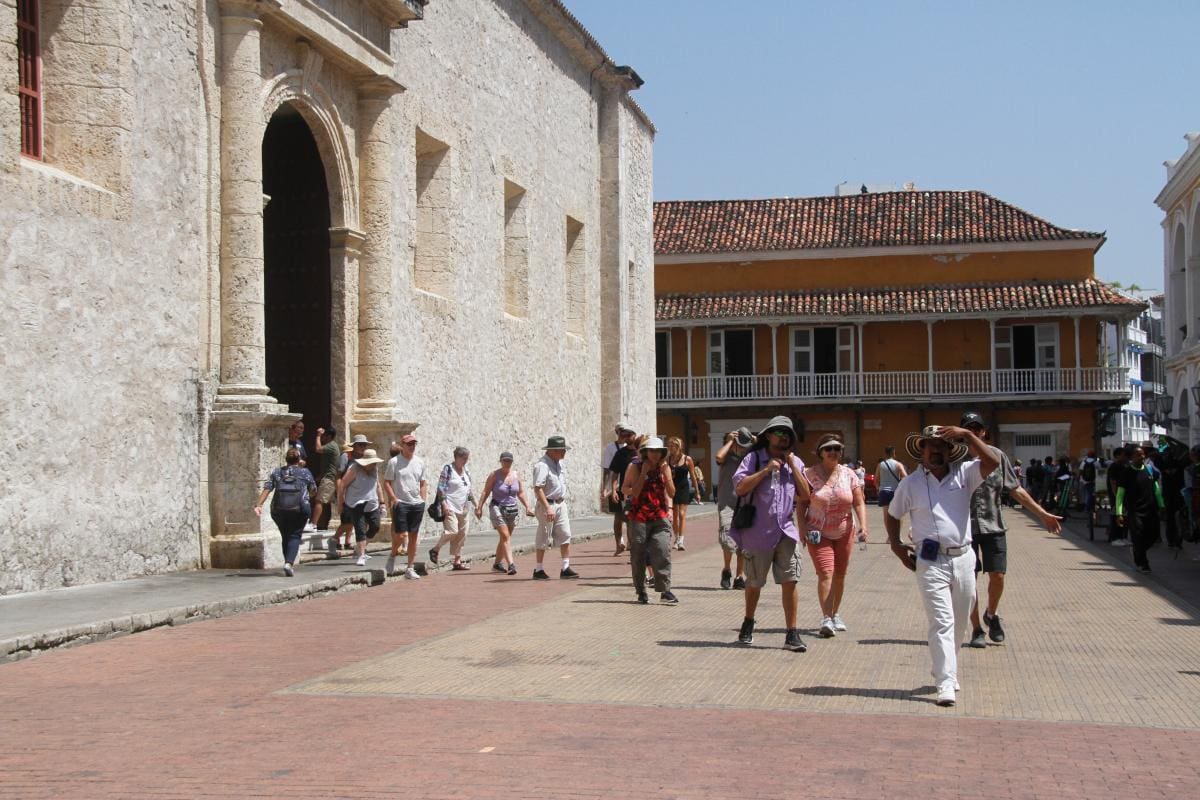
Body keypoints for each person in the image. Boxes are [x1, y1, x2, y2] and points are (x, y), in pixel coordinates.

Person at [884, 424, 998, 707]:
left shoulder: (965, 474)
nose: (935, 450)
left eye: (942, 446)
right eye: (929, 445)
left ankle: (946, 668)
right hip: (929, 560)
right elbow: (893, 513)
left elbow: (993, 461)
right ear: (921, 450)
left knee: (960, 620)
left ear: (950, 451)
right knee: (942, 621)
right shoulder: (910, 483)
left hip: (963, 557)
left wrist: (969, 436)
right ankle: (945, 682)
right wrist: (897, 546)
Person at [957, 412, 1063, 649]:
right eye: (968, 429)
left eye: (977, 428)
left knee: (998, 575)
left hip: (993, 525)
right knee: (969, 580)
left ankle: (991, 614)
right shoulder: (958, 461)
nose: (974, 432)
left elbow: (1016, 490)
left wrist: (1042, 514)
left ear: (984, 432)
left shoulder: (998, 456)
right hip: (965, 529)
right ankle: (976, 629)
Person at [730, 415, 812, 651]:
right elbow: (740, 487)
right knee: (754, 583)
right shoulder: (753, 458)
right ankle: (748, 622)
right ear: (768, 435)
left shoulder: (795, 462)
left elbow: (806, 494)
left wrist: (793, 466)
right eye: (779, 432)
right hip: (758, 533)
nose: (784, 437)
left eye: (788, 434)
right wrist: (766, 470)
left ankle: (792, 633)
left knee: (791, 580)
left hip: (786, 532)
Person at [799, 433, 867, 638]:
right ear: (820, 453)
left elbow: (858, 501)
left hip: (845, 530)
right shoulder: (809, 475)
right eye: (828, 449)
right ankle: (826, 618)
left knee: (840, 574)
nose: (833, 452)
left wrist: (864, 525)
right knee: (826, 573)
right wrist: (802, 529)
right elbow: (802, 503)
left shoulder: (849, 474)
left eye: (837, 449)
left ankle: (835, 613)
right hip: (818, 532)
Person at [621, 436, 678, 604]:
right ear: (645, 452)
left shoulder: (665, 467)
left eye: (658, 451)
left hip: (659, 515)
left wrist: (665, 475)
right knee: (638, 555)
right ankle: (641, 590)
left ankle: (665, 590)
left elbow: (672, 492)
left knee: (662, 551)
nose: (654, 454)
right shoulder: (635, 467)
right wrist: (644, 473)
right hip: (639, 517)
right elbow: (631, 491)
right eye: (651, 451)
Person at [253, 447, 316, 577]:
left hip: (279, 509)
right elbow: (313, 490)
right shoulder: (305, 472)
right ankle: (288, 563)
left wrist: (258, 505)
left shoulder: (277, 472)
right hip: (300, 508)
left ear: (286, 459)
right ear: (299, 459)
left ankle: (287, 561)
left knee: (285, 535)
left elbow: (267, 488)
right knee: (295, 535)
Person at [476, 451, 534, 576]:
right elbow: (485, 492)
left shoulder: (516, 475)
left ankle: (497, 564)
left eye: (509, 461)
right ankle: (511, 565)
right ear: (500, 461)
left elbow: (521, 493)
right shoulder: (494, 475)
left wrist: (528, 507)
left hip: (512, 509)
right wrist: (479, 507)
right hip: (497, 507)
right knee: (505, 536)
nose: (507, 463)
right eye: (505, 460)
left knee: (505, 538)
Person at [533, 436, 578, 579]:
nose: (564, 453)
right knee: (544, 536)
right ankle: (538, 569)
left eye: (564, 450)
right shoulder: (542, 466)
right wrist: (547, 508)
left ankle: (565, 567)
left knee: (565, 534)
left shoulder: (559, 464)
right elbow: (538, 488)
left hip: (560, 503)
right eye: (561, 450)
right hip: (548, 504)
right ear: (552, 451)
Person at [1115, 444, 1166, 573]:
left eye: (1142, 454)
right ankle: (1143, 563)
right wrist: (1119, 513)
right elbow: (1120, 494)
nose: (1141, 457)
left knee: (1154, 535)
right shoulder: (1127, 472)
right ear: (1131, 457)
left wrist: (1161, 505)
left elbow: (1156, 489)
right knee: (1138, 536)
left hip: (1151, 509)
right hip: (1135, 511)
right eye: (1138, 455)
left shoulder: (1149, 470)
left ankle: (1137, 550)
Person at [383, 433, 426, 579]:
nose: (412, 446)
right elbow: (387, 482)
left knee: (413, 536)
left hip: (416, 503)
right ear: (402, 446)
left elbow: (423, 482)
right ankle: (392, 555)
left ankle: (410, 567)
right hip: (401, 502)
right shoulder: (394, 462)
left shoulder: (419, 462)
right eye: (409, 444)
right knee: (401, 535)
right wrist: (393, 498)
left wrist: (423, 499)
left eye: (414, 444)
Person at [715, 428, 753, 590]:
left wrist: (755, 440)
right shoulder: (726, 457)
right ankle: (726, 569)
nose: (742, 447)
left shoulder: (750, 457)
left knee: (743, 542)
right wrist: (730, 441)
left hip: (745, 502)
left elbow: (765, 452)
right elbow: (718, 456)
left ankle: (739, 576)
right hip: (727, 503)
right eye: (739, 444)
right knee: (727, 540)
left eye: (744, 445)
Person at [338, 445, 384, 567]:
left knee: (375, 526)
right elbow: (342, 485)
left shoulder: (375, 469)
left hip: (372, 502)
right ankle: (361, 555)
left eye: (375, 463)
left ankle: (360, 549)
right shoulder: (354, 469)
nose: (373, 465)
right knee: (360, 528)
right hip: (356, 503)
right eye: (371, 463)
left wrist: (382, 503)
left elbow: (378, 485)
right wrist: (340, 503)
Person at [429, 446, 473, 571]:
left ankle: (457, 561)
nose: (465, 461)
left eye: (467, 459)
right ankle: (435, 549)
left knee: (462, 534)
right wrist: (444, 504)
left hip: (464, 507)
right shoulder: (448, 469)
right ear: (457, 457)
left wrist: (476, 505)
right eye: (463, 458)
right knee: (452, 531)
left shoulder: (466, 471)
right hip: (450, 506)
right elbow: (441, 488)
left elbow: (469, 490)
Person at [328, 435, 371, 556]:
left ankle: (357, 545)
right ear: (354, 446)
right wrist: (340, 495)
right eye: (360, 444)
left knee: (363, 521)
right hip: (347, 493)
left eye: (365, 444)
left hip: (363, 494)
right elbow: (339, 476)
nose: (363, 447)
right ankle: (334, 539)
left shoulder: (366, 457)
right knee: (348, 521)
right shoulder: (346, 456)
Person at [601, 424, 636, 554]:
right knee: (619, 516)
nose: (625, 436)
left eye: (628, 434)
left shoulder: (640, 451)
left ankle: (632, 545)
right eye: (622, 433)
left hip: (634, 490)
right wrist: (609, 489)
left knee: (631, 519)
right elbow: (609, 470)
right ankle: (619, 543)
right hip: (619, 488)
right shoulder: (616, 450)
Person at [666, 437, 701, 551]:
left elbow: (693, 476)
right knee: (674, 515)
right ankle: (676, 538)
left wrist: (697, 491)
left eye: (672, 446)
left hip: (683, 488)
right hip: (672, 488)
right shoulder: (668, 459)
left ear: (678, 447)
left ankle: (681, 539)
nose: (670, 448)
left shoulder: (687, 459)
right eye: (669, 446)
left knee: (681, 514)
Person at [309, 427, 340, 533]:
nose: (322, 438)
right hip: (328, 477)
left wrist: (318, 435)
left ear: (328, 436)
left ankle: (313, 524)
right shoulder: (332, 446)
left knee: (319, 501)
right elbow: (329, 464)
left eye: (323, 436)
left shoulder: (331, 446)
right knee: (326, 501)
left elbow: (318, 449)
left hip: (329, 479)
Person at [1107, 446, 1130, 546]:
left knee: (1124, 516)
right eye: (1123, 455)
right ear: (1117, 456)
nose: (1125, 457)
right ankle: (1115, 538)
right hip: (1116, 496)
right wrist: (1116, 496)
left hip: (1124, 495)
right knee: (1117, 516)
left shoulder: (1124, 466)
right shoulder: (1114, 467)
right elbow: (1113, 482)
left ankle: (1123, 537)